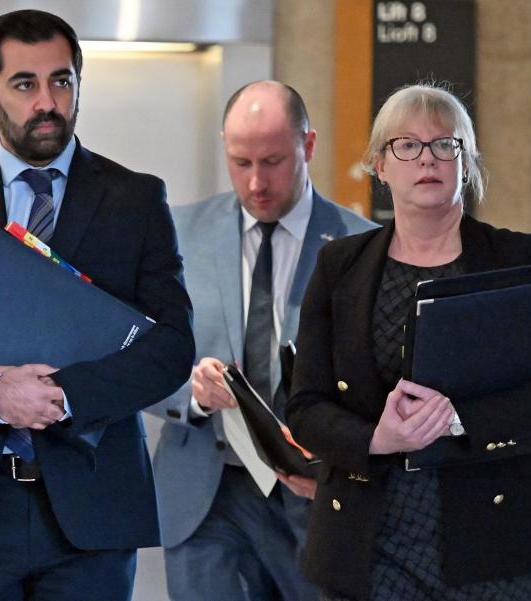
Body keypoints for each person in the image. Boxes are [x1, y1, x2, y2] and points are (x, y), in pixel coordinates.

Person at [0, 9, 194, 601]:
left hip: (90, 511)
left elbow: (172, 348)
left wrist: (61, 395)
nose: (47, 101)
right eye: (24, 84)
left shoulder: (136, 199)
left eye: (62, 81)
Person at [285, 83, 531, 601]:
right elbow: (305, 405)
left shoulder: (516, 259)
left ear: (466, 162)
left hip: (492, 535)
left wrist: (458, 419)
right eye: (406, 145)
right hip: (369, 537)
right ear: (379, 166)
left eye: (444, 145)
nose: (426, 159)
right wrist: (376, 438)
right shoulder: (340, 266)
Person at [147, 80, 376, 601]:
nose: (256, 183)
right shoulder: (176, 234)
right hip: (206, 495)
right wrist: (189, 391)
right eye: (240, 162)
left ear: (308, 146)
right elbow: (136, 357)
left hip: (316, 499)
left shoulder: (362, 247)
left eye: (272, 161)